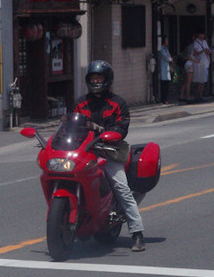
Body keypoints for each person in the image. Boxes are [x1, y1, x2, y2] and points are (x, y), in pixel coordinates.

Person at [74, 60, 146, 252]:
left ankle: (137, 233)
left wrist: (103, 131)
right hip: (84, 152)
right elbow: (70, 126)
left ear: (108, 80)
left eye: (100, 78)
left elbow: (122, 129)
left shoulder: (118, 103)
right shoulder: (80, 103)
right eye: (93, 77)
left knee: (121, 188)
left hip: (109, 152)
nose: (96, 81)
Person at [189, 31, 212, 101]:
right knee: (200, 81)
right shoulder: (196, 42)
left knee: (203, 81)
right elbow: (196, 52)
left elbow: (208, 51)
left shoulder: (204, 42)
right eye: (201, 34)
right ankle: (196, 96)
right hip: (199, 63)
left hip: (205, 62)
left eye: (203, 34)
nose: (202, 35)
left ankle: (200, 95)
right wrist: (203, 50)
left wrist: (208, 51)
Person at [156, 37, 173, 104]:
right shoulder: (161, 49)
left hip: (167, 67)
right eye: (166, 40)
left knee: (166, 84)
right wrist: (170, 59)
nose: (167, 41)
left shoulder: (166, 48)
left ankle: (165, 98)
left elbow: (169, 57)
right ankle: (163, 99)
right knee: (164, 85)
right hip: (163, 68)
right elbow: (166, 57)